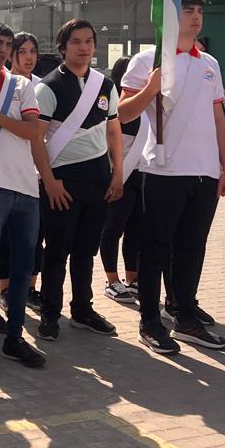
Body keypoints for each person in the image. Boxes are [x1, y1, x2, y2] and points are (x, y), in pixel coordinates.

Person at [119, 0, 225, 355]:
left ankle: (184, 314)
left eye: (200, 10)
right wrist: (151, 86)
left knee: (191, 248)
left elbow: (218, 117)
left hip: (204, 172)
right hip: (164, 170)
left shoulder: (209, 63)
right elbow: (123, 113)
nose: (196, 16)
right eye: (187, 10)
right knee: (155, 251)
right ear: (170, 16)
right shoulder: (148, 58)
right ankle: (150, 321)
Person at [32, 19, 122, 342]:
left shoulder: (106, 86)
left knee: (87, 251)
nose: (83, 48)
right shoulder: (48, 86)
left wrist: (118, 173)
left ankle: (83, 310)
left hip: (99, 180)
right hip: (62, 184)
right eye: (76, 42)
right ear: (62, 47)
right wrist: (49, 181)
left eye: (88, 41)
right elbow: (36, 139)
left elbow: (113, 132)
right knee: (57, 252)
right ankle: (49, 315)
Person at [0, 22, 48, 375]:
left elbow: (34, 131)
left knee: (22, 270)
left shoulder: (22, 85)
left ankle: (14, 338)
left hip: (27, 190)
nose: (2, 49)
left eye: (7, 44)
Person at [0, 31, 43, 322]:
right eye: (22, 50)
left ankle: (31, 287)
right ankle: (4, 287)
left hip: (34, 175)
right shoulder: (2, 85)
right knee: (3, 241)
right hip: (3, 175)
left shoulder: (40, 86)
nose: (28, 57)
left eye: (32, 51)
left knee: (33, 240)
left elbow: (40, 134)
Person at [99, 56, 142, 306]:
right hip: (118, 175)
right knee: (113, 228)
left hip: (140, 175)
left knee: (136, 229)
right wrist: (115, 174)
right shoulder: (114, 105)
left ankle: (133, 279)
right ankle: (112, 279)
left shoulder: (145, 105)